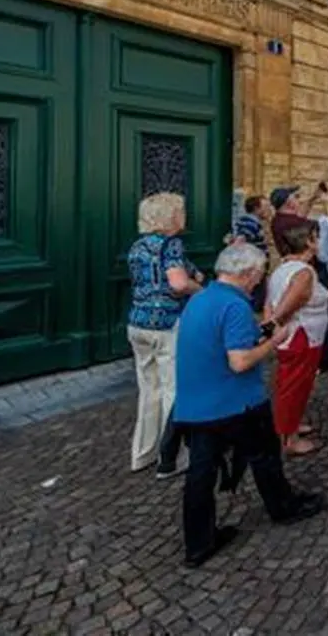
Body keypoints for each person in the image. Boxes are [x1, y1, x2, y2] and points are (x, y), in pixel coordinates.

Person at [174, 243, 325, 568]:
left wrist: (264, 330)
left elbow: (228, 339)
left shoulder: (200, 300)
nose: (258, 281)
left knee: (201, 473)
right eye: (257, 275)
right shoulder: (235, 306)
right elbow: (240, 360)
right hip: (235, 401)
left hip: (196, 401)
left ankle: (198, 543)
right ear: (245, 274)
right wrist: (273, 342)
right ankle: (282, 506)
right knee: (265, 455)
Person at [127, 192, 203, 478]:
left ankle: (143, 454)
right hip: (166, 323)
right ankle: (172, 457)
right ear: (169, 217)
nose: (184, 217)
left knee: (149, 390)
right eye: (181, 211)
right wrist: (202, 292)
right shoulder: (171, 244)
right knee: (174, 388)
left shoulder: (138, 246)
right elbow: (179, 283)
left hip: (138, 322)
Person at [266, 221, 328, 457]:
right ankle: (288, 438)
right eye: (316, 238)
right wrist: (274, 324)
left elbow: (269, 302)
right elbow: (288, 303)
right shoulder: (303, 273)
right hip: (302, 336)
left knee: (294, 385)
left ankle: (291, 426)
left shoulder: (283, 268)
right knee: (293, 387)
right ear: (309, 242)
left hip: (298, 336)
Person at [270, 184, 328, 290]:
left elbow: (300, 215)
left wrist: (313, 198)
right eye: (296, 197)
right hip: (306, 271)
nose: (299, 200)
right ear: (289, 203)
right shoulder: (294, 223)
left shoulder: (278, 219)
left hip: (294, 268)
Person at [231, 194, 272, 312]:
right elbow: (240, 241)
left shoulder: (252, 222)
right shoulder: (249, 222)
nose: (269, 209)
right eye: (266, 206)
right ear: (256, 208)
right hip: (254, 269)